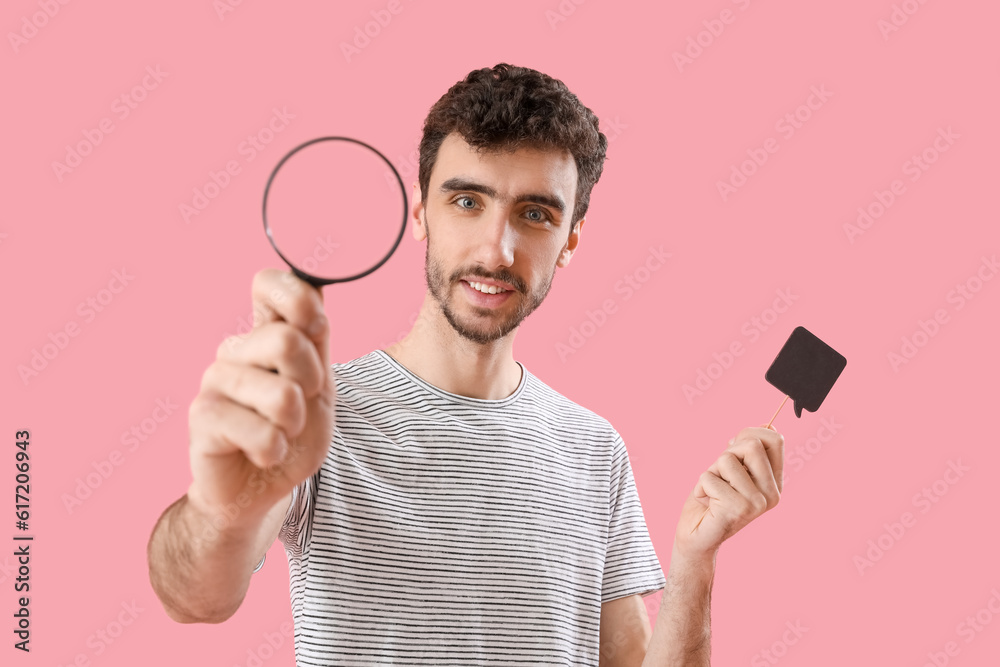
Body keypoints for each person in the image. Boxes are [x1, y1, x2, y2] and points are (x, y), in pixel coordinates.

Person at [147, 63, 784, 666]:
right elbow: (194, 597)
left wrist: (696, 557)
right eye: (467, 202)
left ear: (571, 239)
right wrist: (223, 511)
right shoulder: (312, 415)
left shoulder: (594, 448)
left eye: (535, 214)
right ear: (422, 211)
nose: (497, 250)